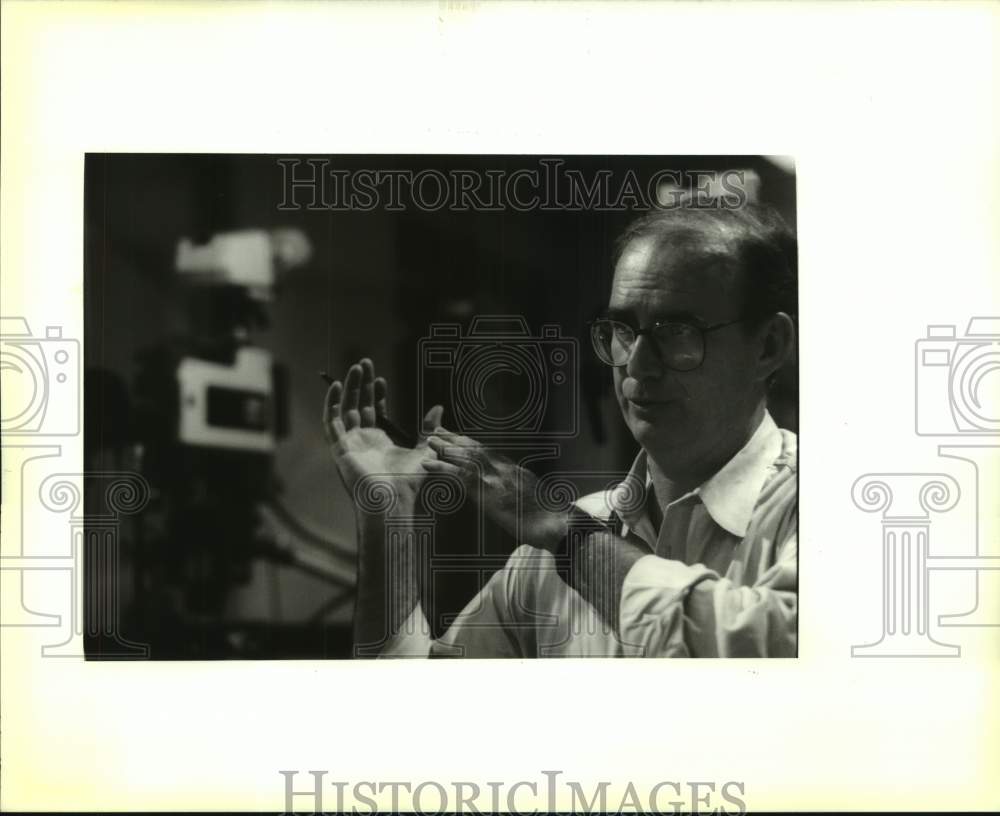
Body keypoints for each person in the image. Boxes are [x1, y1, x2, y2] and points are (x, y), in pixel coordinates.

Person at [323, 203, 798, 657]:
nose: (636, 364)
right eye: (623, 328)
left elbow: (759, 644)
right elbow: (418, 706)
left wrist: (570, 537)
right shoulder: (550, 551)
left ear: (768, 347)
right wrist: (388, 510)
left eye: (677, 330)